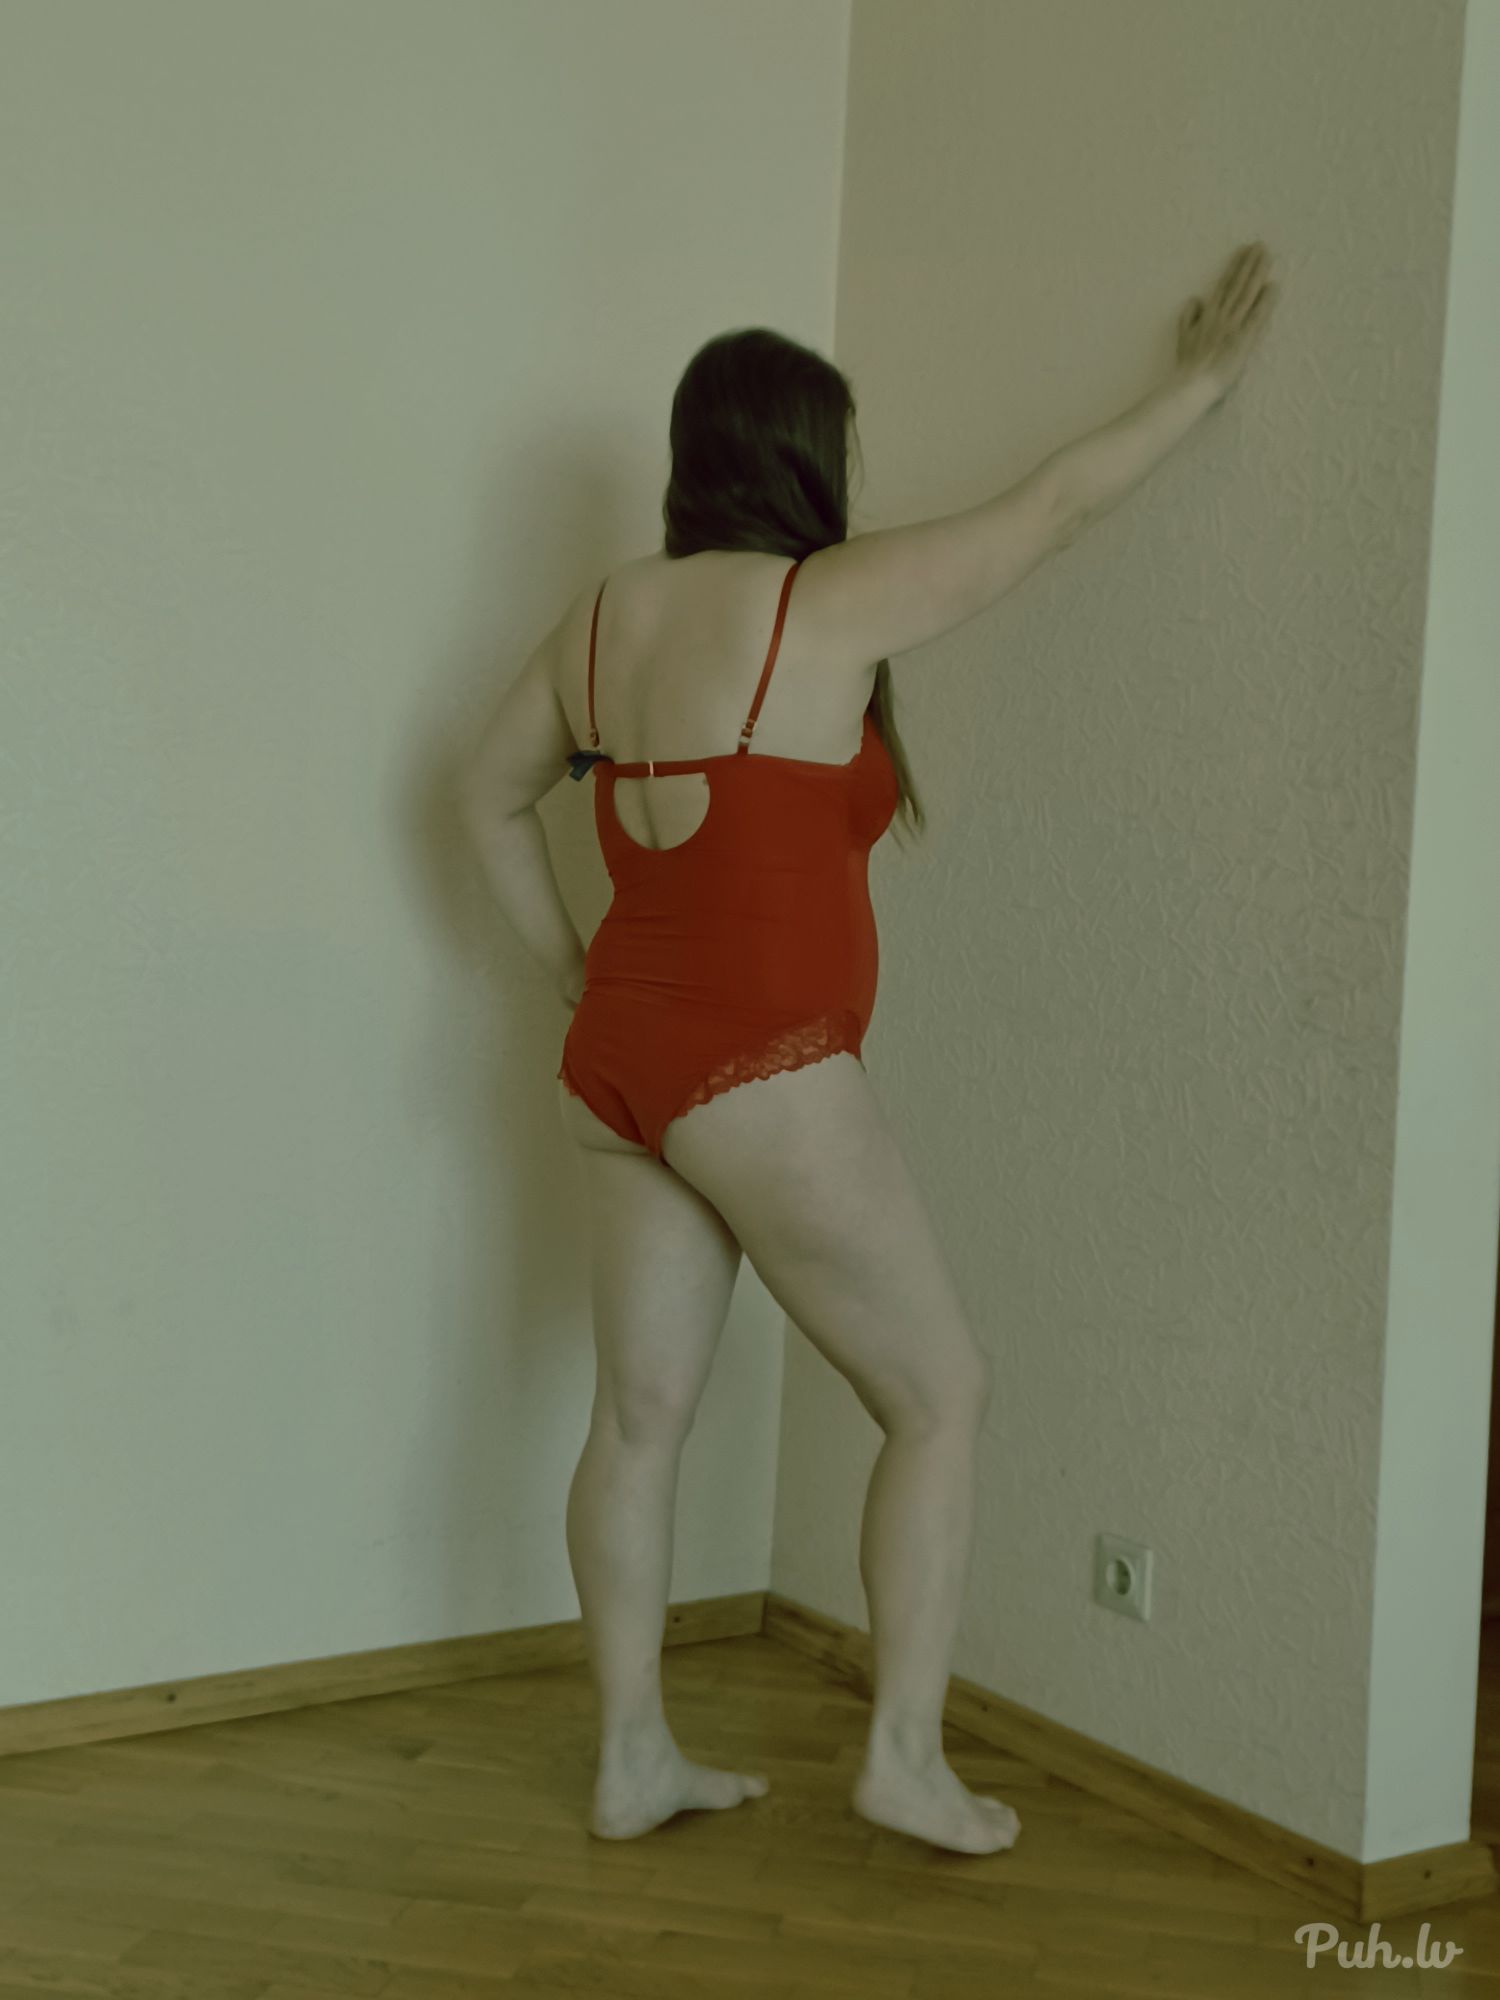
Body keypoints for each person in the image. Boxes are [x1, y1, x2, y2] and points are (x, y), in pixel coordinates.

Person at [460, 241, 1278, 1852]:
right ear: (803, 457)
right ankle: (902, 1757)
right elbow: (1052, 507)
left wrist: (573, 973)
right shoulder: (817, 603)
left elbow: (479, 794)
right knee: (941, 1394)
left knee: (637, 1419)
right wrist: (1196, 387)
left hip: (619, 1072)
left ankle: (632, 1757)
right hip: (759, 1068)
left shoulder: (603, 620)